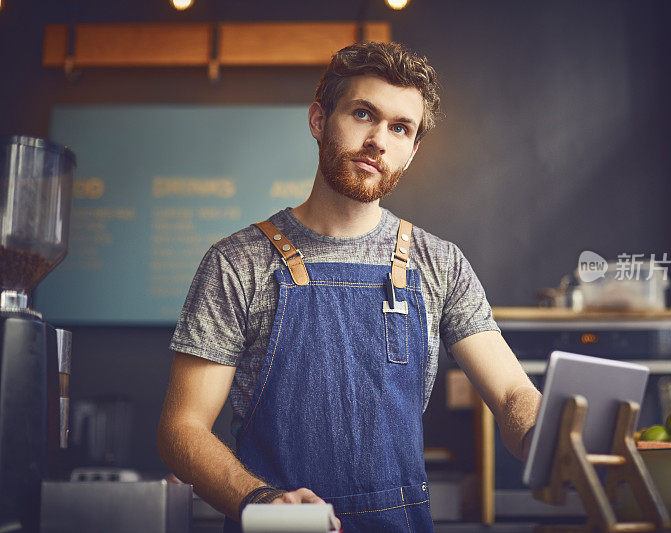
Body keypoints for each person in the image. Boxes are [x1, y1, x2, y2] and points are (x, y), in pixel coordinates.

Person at [158, 41, 542, 532]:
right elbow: (181, 429)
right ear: (319, 120)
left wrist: (542, 438)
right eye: (364, 114)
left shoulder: (440, 263)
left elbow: (511, 393)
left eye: (400, 128)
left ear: (412, 150)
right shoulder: (236, 263)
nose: (379, 139)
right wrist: (260, 500)